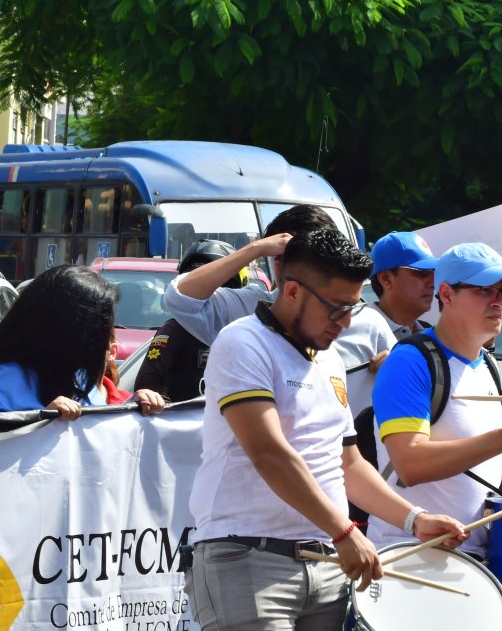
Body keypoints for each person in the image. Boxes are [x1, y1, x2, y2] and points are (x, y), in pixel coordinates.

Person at [187, 229, 467, 630]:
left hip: (327, 561)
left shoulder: (329, 357)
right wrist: (344, 531)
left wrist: (414, 520)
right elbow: (270, 454)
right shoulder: (243, 342)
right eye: (337, 308)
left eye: (353, 307)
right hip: (248, 556)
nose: (347, 322)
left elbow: (348, 464)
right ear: (293, 291)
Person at [367, 243, 502, 555]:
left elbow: (477, 465)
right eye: (484, 290)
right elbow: (409, 464)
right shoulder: (410, 361)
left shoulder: (486, 365)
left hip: (469, 560)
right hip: (407, 555)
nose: (499, 301)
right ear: (447, 294)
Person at [163, 205, 396, 414]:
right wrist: (254, 249)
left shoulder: (366, 324)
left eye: (344, 308)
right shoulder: (242, 324)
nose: (343, 322)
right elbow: (179, 298)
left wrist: (396, 368)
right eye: (279, 257)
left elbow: (346, 437)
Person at [0, 265, 165, 418]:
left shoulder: (80, 378)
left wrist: (135, 407)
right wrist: (41, 423)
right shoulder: (1, 382)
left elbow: (101, 436)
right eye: (102, 329)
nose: (104, 341)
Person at [136, 239, 246, 403]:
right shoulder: (175, 329)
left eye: (212, 284)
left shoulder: (249, 333)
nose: (203, 291)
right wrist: (175, 412)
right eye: (197, 284)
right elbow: (147, 385)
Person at [367, 231, 437, 339]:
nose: (433, 283)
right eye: (422, 272)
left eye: (434, 272)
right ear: (386, 279)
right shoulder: (362, 336)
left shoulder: (431, 335)